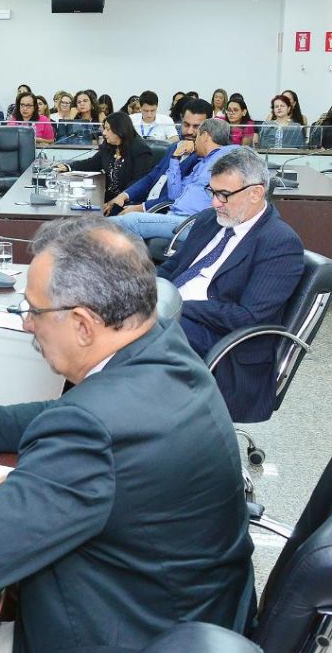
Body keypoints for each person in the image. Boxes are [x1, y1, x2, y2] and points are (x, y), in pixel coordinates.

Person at [0, 214, 254, 653]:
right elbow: (66, 414)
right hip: (191, 610)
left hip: (120, 636)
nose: (27, 325)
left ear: (82, 324)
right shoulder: (162, 349)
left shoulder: (93, 429)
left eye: (34, 311)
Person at [158, 146, 304, 421]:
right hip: (176, 316)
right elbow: (174, 267)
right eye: (212, 192)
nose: (215, 203)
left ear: (255, 193)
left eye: (224, 194)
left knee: (137, 335)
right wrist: (146, 290)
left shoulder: (279, 242)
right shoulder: (209, 221)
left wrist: (178, 306)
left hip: (223, 341)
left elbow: (248, 316)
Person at [109, 117, 236, 241]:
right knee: (120, 228)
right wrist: (175, 158)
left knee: (129, 222)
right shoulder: (201, 163)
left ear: (205, 136)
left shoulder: (227, 159)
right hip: (174, 216)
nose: (194, 141)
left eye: (197, 136)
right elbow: (174, 194)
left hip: (191, 222)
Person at [56, 112, 152, 201]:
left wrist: (116, 201)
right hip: (107, 199)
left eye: (108, 129)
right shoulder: (109, 145)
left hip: (128, 203)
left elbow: (138, 183)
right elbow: (92, 163)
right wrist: (69, 166)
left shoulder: (140, 150)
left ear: (120, 129)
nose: (104, 133)